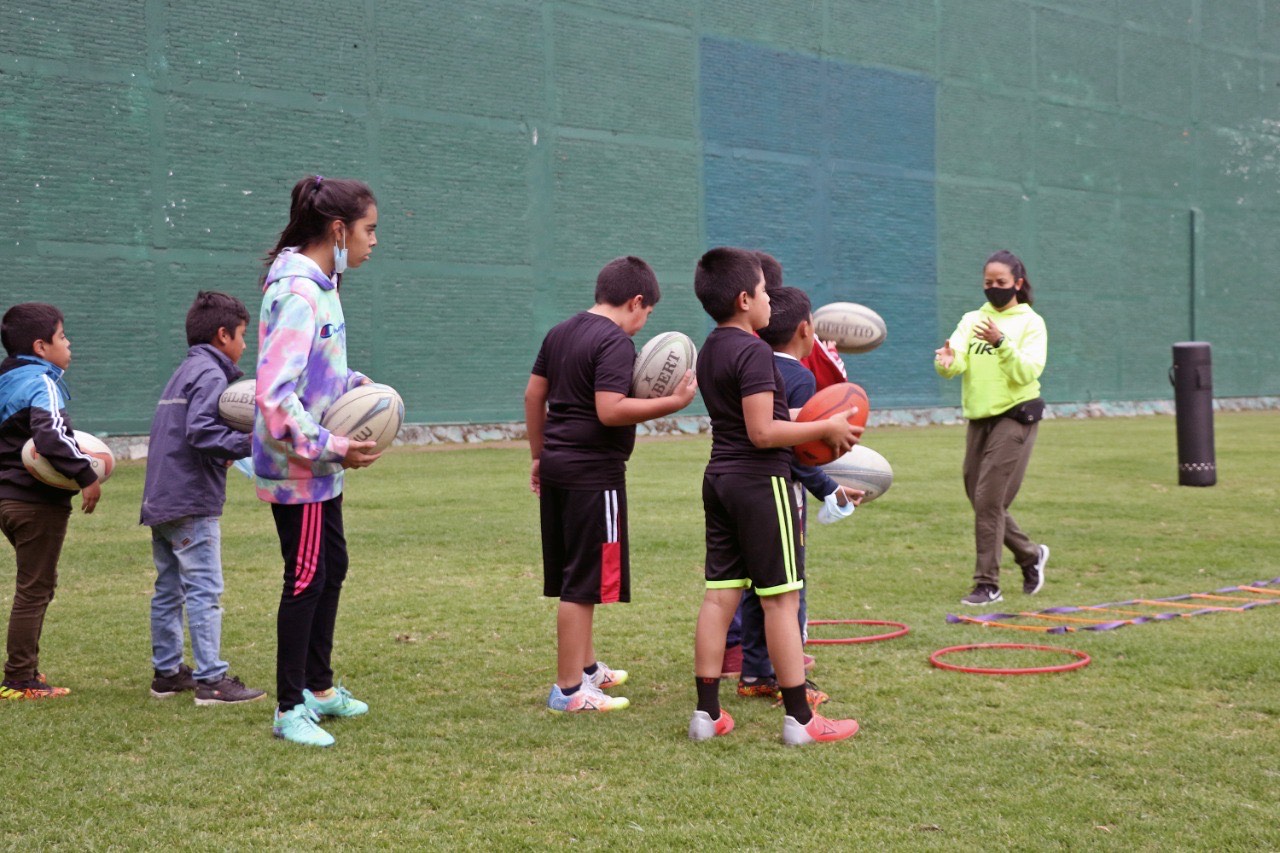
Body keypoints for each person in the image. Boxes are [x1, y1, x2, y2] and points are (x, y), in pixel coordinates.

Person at [688, 247, 860, 746]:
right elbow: (763, 433)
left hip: (718, 478)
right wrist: (824, 424)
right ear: (745, 299)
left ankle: (707, 715)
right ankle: (802, 722)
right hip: (761, 484)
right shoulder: (755, 352)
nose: (769, 299)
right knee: (782, 603)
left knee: (720, 596)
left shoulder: (712, 348)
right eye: (764, 292)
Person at [525, 256, 697, 714]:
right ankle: (568, 691)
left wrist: (538, 456)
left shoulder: (560, 331)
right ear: (636, 302)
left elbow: (532, 396)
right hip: (593, 475)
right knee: (582, 584)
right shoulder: (616, 342)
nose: (644, 325)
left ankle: (586, 668)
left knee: (579, 577)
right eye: (647, 315)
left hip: (560, 465)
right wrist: (673, 402)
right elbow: (610, 409)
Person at [256, 175, 382, 746]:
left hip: (321, 466)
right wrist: (333, 445)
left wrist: (359, 388)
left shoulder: (323, 286)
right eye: (368, 229)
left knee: (331, 565)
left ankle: (321, 687)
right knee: (305, 577)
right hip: (299, 467)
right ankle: (288, 709)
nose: (373, 241)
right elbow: (276, 395)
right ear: (338, 230)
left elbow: (318, 373)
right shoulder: (298, 293)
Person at [736, 285, 863, 705]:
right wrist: (829, 489)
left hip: (737, 487)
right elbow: (798, 450)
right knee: (789, 588)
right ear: (806, 331)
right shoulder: (801, 377)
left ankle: (756, 670)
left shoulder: (746, 363)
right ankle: (788, 676)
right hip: (780, 494)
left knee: (756, 587)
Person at [141, 291, 266, 705]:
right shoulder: (212, 375)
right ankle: (212, 680)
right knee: (204, 590)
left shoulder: (184, 371)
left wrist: (224, 450)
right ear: (222, 334)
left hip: (162, 497)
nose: (245, 345)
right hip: (192, 501)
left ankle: (168, 673)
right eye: (243, 335)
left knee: (169, 590)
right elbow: (200, 432)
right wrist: (252, 442)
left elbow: (187, 434)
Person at [934, 249, 1050, 606]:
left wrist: (1002, 343)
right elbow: (956, 361)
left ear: (1017, 283)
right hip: (979, 417)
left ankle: (988, 584)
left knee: (988, 500)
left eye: (1001, 283)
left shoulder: (1031, 323)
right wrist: (947, 362)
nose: (994, 289)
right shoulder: (972, 319)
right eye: (988, 283)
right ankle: (1030, 554)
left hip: (1016, 415)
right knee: (981, 498)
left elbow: (1028, 372)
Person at [0, 303, 102, 700]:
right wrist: (86, 475)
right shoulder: (41, 382)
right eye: (63, 336)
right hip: (33, 503)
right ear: (41, 346)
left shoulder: (5, 380)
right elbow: (52, 437)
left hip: (7, 500)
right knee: (34, 588)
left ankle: (25, 673)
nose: (69, 342)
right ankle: (20, 679)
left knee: (34, 584)